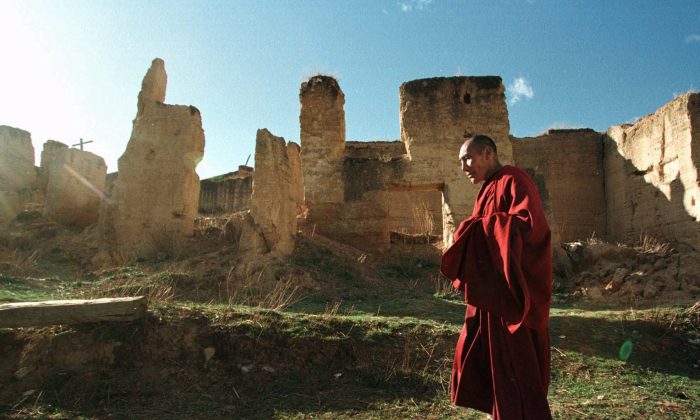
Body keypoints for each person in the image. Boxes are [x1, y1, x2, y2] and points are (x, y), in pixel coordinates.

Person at [440, 134, 553, 419]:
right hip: (492, 297)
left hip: (511, 299)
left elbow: (531, 228)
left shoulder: (515, 180)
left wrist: (475, 231)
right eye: (460, 161)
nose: (464, 167)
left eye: (468, 158)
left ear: (488, 153)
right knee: (486, 363)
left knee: (517, 368)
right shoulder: (488, 189)